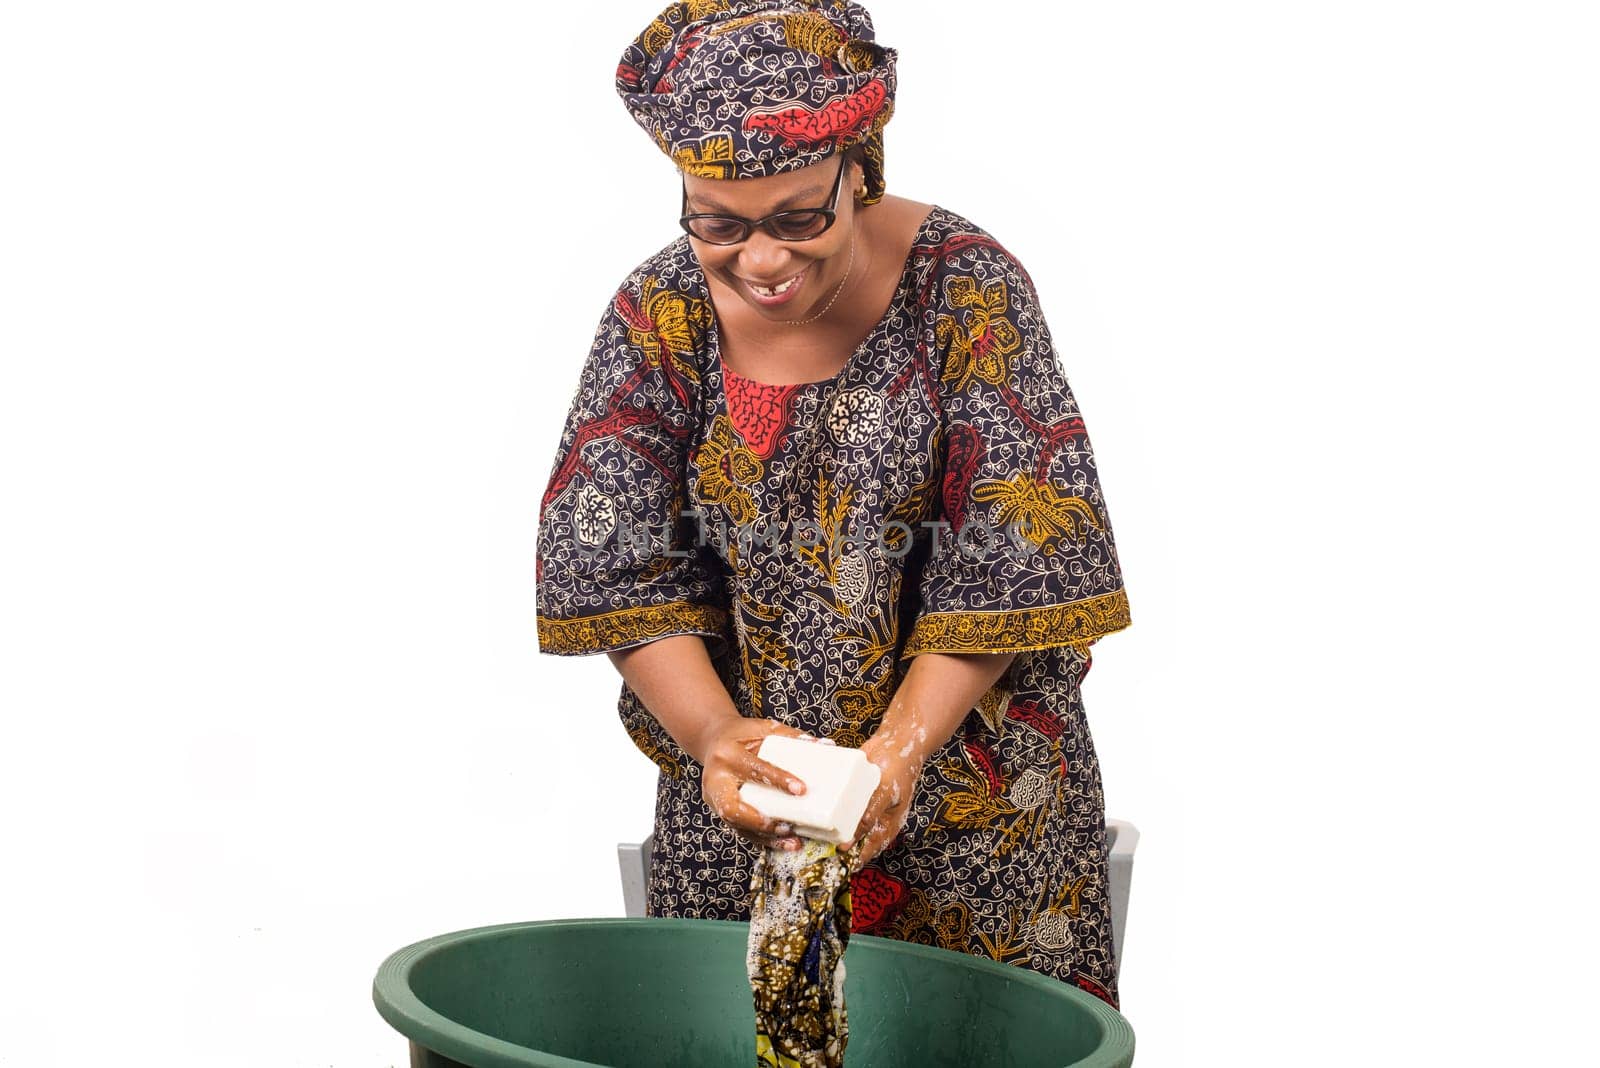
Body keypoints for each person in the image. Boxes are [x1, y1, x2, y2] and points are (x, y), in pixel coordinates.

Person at [535, 0, 1133, 1013]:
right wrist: (717, 739)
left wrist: (894, 757)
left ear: (860, 166)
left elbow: (1012, 554)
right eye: (716, 224)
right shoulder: (660, 314)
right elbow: (617, 564)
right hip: (743, 817)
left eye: (798, 217)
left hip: (974, 813)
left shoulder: (965, 290)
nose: (760, 262)